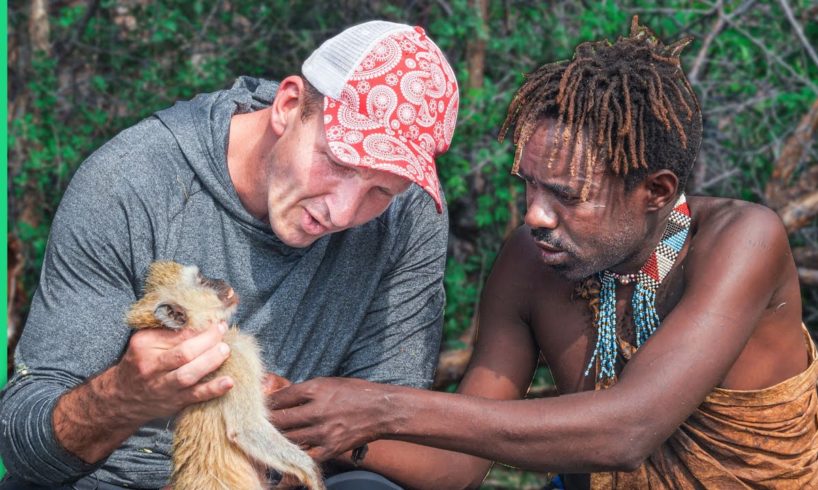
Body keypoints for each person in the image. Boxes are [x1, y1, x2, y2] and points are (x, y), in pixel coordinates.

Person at [266, 18, 818, 489]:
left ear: (655, 192)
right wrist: (322, 423)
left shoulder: (741, 240)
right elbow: (459, 463)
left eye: (567, 195)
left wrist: (380, 409)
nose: (534, 214)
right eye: (528, 185)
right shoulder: (529, 263)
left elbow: (627, 431)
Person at [0, 20, 459, 489]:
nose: (343, 211)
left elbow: (391, 427)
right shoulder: (129, 182)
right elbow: (23, 446)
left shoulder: (408, 213)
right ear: (287, 105)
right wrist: (123, 397)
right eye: (338, 162)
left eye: (380, 189)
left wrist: (303, 422)